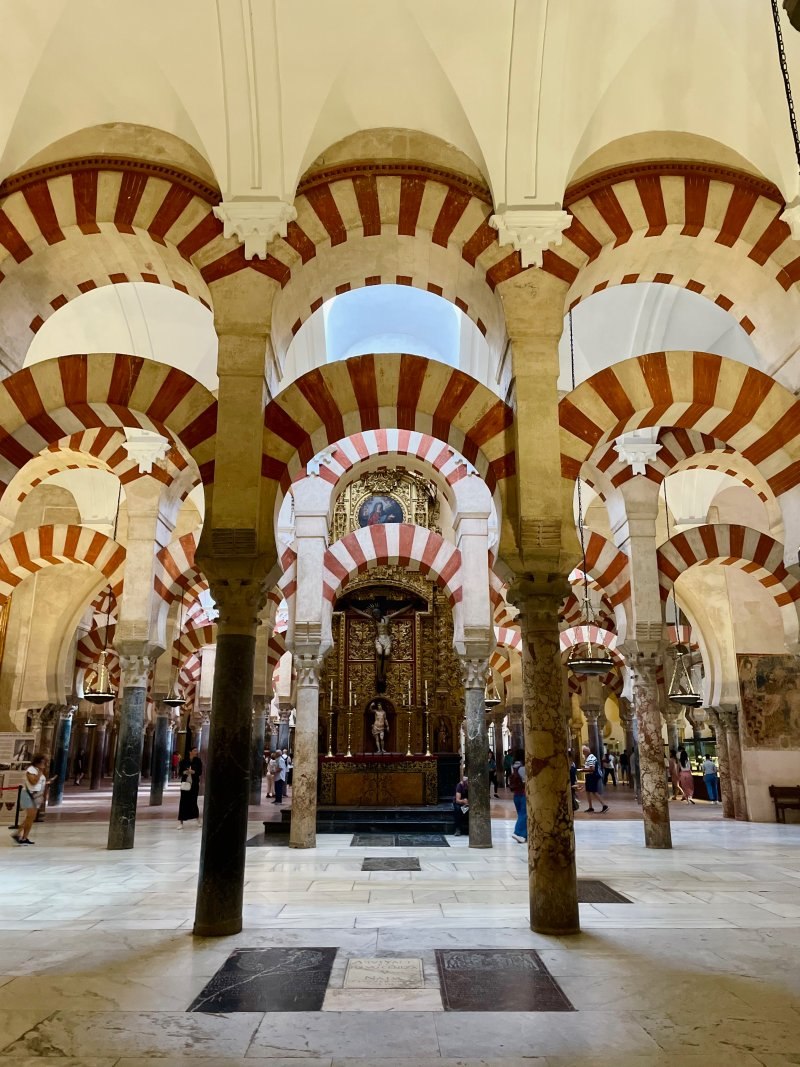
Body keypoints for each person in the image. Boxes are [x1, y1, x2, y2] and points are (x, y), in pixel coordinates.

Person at [13, 754, 56, 845]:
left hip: (36, 796)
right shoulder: (31, 770)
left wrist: (47, 782)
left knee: (30, 818)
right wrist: (40, 772)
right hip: (28, 795)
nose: (45, 764)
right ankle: (20, 835)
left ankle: (23, 836)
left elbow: (39, 783)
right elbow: (33, 782)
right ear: (39, 762)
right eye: (44, 762)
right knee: (29, 816)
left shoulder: (38, 771)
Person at [177, 747, 202, 827]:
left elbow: (200, 772)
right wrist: (185, 772)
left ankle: (197, 819)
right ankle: (181, 822)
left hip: (194, 784)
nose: (196, 752)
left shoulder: (198, 761)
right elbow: (180, 772)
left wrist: (193, 771)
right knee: (183, 801)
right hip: (185, 784)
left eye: (196, 751)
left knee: (193, 801)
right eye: (194, 751)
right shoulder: (184, 761)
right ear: (190, 752)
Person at [582, 745, 608, 813]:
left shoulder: (590, 757)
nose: (583, 753)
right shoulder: (589, 757)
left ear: (586, 751)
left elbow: (592, 769)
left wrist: (583, 770)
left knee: (594, 792)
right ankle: (590, 807)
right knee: (588, 791)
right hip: (589, 776)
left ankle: (604, 805)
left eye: (583, 752)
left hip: (591, 776)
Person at [510, 751, 527, 842]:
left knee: (521, 814)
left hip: (516, 795)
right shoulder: (523, 768)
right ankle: (518, 833)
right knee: (524, 814)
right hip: (524, 793)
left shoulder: (513, 766)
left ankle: (525, 834)